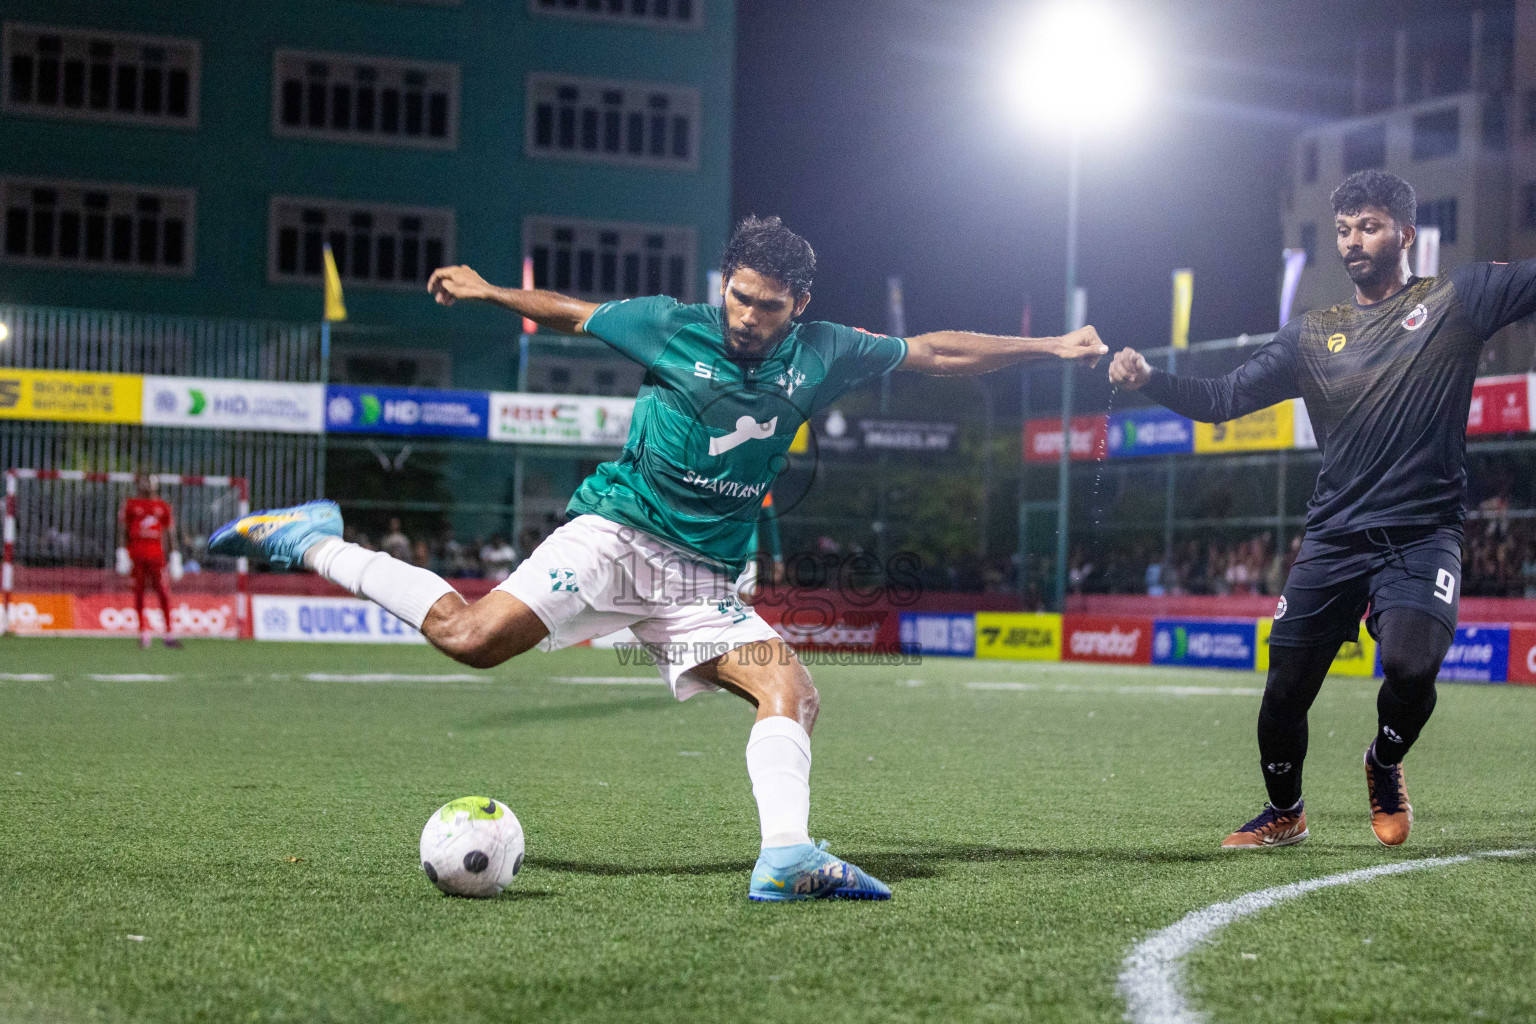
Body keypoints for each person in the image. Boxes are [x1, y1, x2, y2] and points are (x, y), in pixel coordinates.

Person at [210, 214, 1107, 901]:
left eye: (770, 305)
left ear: (799, 306)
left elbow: (939, 350)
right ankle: (310, 536)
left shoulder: (828, 353)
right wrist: (489, 293)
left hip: (700, 583)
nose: (750, 317)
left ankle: (785, 858)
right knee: (472, 637)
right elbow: (567, 313)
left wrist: (1049, 346)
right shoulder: (669, 325)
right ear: (726, 286)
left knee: (792, 688)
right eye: (741, 296)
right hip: (616, 537)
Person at [1111, 169, 1536, 849]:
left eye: (1368, 226)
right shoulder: (1311, 335)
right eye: (1343, 229)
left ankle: (1384, 761)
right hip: (1334, 538)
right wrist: (1150, 379)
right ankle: (1286, 811)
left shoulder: (1458, 297)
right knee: (1283, 693)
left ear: (1403, 231)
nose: (1352, 242)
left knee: (1410, 667)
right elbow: (1221, 401)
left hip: (1423, 535)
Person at [118, 475, 181, 650]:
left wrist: (175, 556)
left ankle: (169, 633)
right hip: (136, 556)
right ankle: (143, 633)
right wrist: (121, 552)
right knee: (138, 593)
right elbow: (123, 530)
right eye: (145, 481)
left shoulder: (163, 506)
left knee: (163, 592)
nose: (148, 485)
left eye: (151, 482)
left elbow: (170, 532)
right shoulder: (131, 504)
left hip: (157, 557)